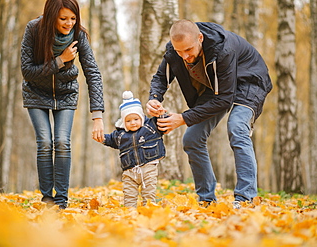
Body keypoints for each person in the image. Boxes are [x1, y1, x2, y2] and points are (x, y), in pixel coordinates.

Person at [146, 19, 272, 209]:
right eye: (179, 51)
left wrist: (183, 118)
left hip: (249, 81)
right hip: (216, 89)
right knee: (192, 139)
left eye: (188, 50)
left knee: (237, 127)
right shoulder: (175, 52)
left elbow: (224, 99)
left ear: (200, 38)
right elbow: (160, 78)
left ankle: (245, 199)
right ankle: (206, 199)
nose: (185, 56)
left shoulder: (223, 49)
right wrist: (154, 98)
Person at [20, 0, 104, 210]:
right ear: (51, 16)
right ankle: (47, 199)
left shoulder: (79, 36)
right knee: (45, 142)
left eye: (73, 18)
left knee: (62, 142)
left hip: (65, 94)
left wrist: (98, 115)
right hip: (36, 92)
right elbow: (27, 71)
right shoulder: (33, 29)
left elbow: (93, 73)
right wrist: (60, 60)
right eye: (63, 18)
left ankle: (61, 201)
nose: (69, 23)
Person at [97, 91, 166, 207]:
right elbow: (110, 139)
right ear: (124, 122)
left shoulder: (150, 127)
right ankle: (130, 214)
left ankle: (149, 211)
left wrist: (161, 113)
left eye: (136, 119)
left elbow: (163, 121)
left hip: (148, 168)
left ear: (141, 117)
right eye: (128, 121)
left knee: (149, 194)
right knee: (129, 196)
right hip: (129, 172)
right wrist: (101, 138)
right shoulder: (120, 135)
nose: (133, 123)